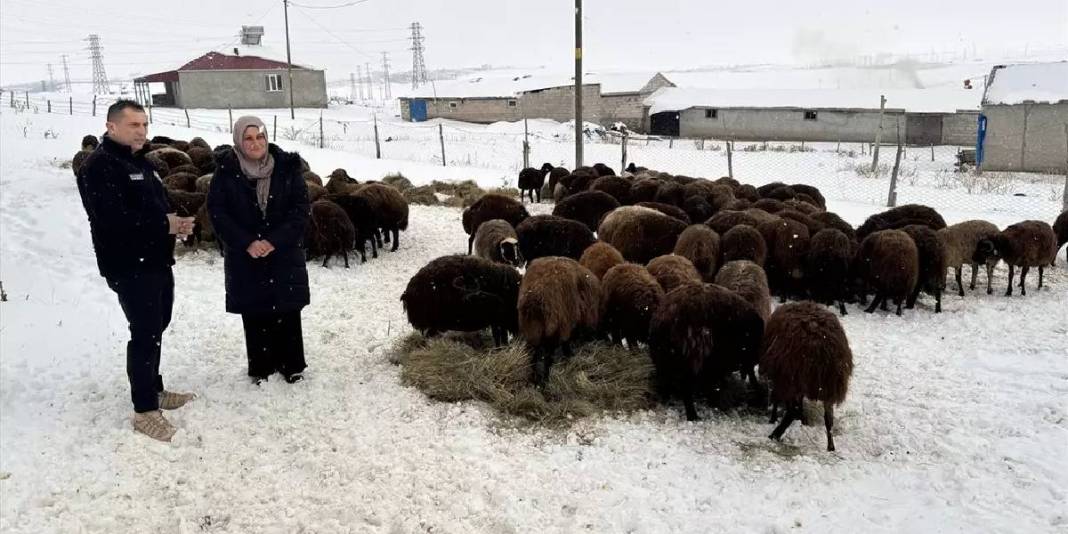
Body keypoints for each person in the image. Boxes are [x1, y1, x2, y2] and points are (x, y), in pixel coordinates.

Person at [76, 99, 196, 442]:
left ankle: (154, 389)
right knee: (144, 332)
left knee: (158, 324)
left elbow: (153, 205)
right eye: (134, 125)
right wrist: (164, 223)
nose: (142, 131)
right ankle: (144, 410)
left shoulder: (141, 162)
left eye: (144, 124)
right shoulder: (100, 166)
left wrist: (177, 223)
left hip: (156, 260)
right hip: (129, 264)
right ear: (112, 127)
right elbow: (112, 220)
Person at [208, 116, 310, 385]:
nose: (255, 143)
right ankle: (261, 366)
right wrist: (247, 242)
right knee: (255, 310)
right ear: (239, 141)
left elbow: (300, 210)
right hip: (246, 254)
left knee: (287, 308)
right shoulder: (226, 171)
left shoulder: (287, 168)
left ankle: (292, 364)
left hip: (283, 251)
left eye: (260, 137)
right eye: (248, 138)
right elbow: (218, 213)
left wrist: (275, 240)